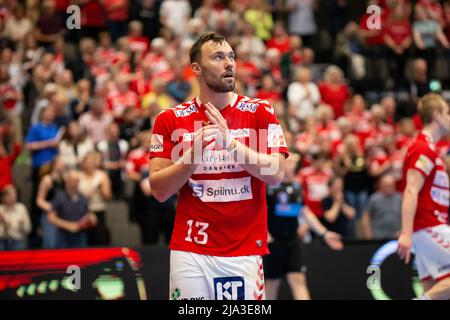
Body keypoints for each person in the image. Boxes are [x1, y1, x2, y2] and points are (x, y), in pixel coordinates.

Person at [149, 32, 288, 300]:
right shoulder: (170, 119)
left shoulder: (261, 111)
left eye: (231, 56)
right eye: (218, 56)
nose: (229, 63)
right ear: (196, 69)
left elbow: (276, 174)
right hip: (190, 249)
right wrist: (192, 156)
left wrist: (231, 144)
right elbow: (159, 190)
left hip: (244, 250)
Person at [264, 153, 343, 300]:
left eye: (295, 161)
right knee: (271, 283)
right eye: (289, 160)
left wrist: (324, 233)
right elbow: (260, 210)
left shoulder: (297, 187)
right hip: (273, 242)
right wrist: (264, 232)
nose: (293, 163)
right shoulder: (269, 185)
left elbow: (306, 212)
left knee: (298, 279)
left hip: (293, 240)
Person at [397, 93, 450, 300]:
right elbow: (411, 189)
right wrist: (406, 233)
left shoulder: (433, 150)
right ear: (436, 115)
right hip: (429, 225)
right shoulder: (423, 148)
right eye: (447, 113)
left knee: (435, 291)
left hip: (430, 226)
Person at [48, 170, 97, 249]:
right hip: (63, 236)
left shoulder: (83, 198)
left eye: (76, 181)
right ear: (66, 181)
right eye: (71, 181)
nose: (73, 184)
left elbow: (89, 214)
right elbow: (51, 217)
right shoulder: (59, 197)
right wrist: (68, 225)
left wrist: (92, 218)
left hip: (80, 237)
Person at [361, 174, 402, 240]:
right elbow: (366, 217)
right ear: (381, 185)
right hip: (377, 237)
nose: (388, 188)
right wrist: (368, 235)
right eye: (386, 186)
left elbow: (406, 216)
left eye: (390, 185)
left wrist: (403, 231)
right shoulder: (374, 199)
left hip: (396, 237)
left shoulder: (400, 198)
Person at [0, 185, 32, 250]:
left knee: (19, 246)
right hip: (2, 240)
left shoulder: (21, 208)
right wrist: (4, 226)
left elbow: (28, 229)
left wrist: (22, 224)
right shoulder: (1, 209)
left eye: (14, 193)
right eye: (9, 194)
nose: (12, 196)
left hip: (17, 240)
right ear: (3, 197)